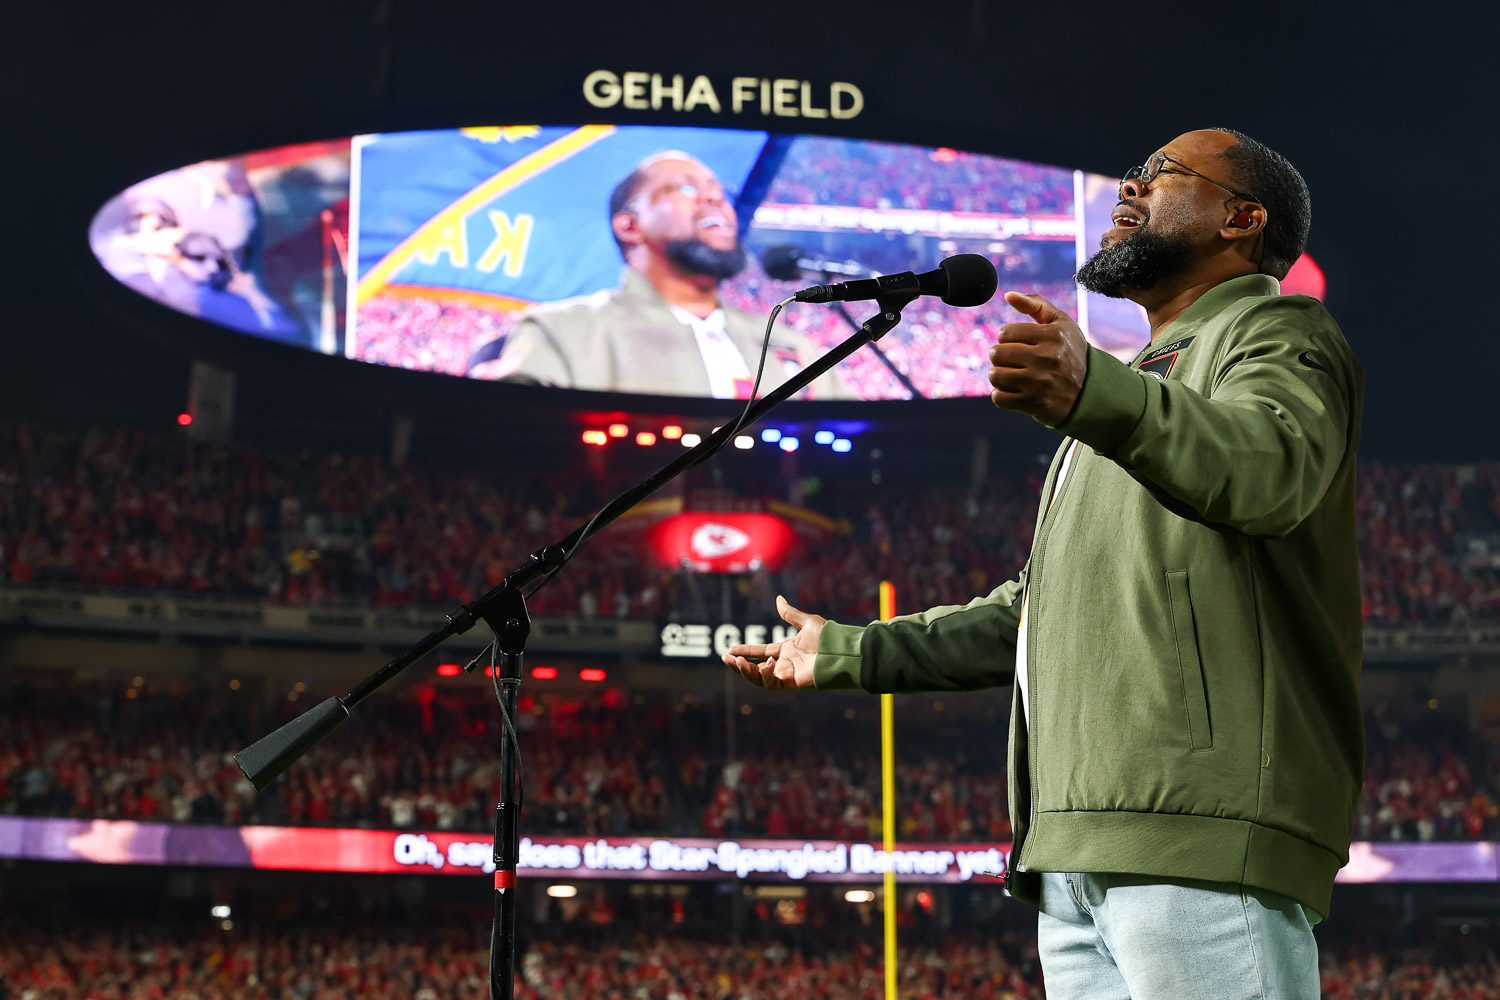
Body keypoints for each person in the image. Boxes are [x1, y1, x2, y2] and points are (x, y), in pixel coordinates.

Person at [724, 128, 1362, 999]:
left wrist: (1093, 391)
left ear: (1241, 219)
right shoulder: (1139, 383)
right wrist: (852, 652)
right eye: (1129, 174)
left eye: (1163, 175)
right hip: (1071, 848)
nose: (1128, 189)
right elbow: (1041, 610)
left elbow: (1270, 471)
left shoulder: (1277, 332)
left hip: (1194, 828)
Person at [472, 151, 854, 399]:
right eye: (685, 188)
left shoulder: (795, 347)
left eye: (720, 191)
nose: (714, 198)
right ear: (630, 226)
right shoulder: (564, 332)